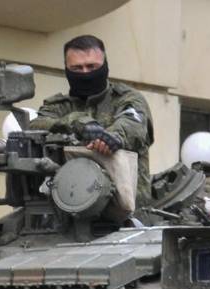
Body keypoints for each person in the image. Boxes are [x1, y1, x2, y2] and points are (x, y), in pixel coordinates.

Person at [29, 34, 154, 207]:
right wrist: (76, 122)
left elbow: (133, 125)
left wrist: (111, 138)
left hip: (125, 213)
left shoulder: (127, 98)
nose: (85, 73)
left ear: (105, 65)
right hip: (67, 209)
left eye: (92, 66)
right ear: (66, 69)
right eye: (77, 68)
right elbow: (36, 125)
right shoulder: (58, 106)